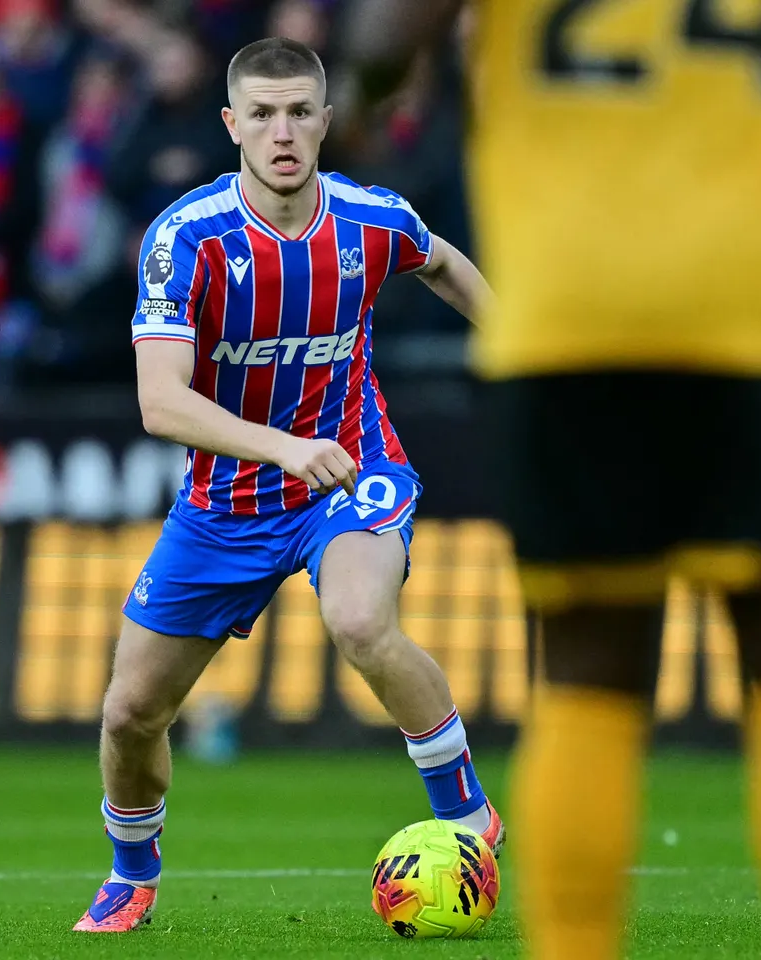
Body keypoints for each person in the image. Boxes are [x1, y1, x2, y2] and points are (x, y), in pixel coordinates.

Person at [345, 2, 761, 959]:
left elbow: (384, 49)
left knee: (590, 672)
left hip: (565, 324)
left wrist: (363, 107)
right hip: (753, 320)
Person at [72, 37, 500, 935]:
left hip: (352, 471)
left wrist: (524, 349)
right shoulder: (184, 240)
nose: (282, 132)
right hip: (226, 506)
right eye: (262, 114)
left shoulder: (370, 217)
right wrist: (280, 447)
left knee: (359, 620)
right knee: (129, 715)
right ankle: (132, 875)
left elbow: (447, 265)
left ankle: (468, 819)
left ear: (325, 121)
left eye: (300, 112)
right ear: (231, 125)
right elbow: (161, 402)